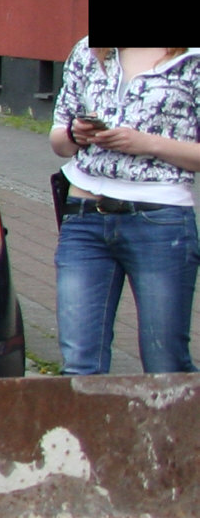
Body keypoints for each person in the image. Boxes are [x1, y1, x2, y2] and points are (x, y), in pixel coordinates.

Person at [50, 38, 200, 375]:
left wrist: (148, 144)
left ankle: (175, 427)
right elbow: (58, 140)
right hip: (84, 217)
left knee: (165, 364)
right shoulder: (88, 50)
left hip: (160, 220)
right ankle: (86, 428)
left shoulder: (192, 59)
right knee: (79, 364)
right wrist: (77, 134)